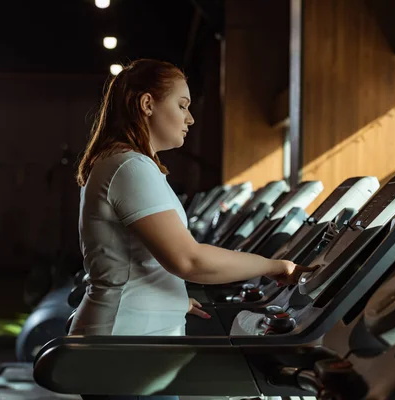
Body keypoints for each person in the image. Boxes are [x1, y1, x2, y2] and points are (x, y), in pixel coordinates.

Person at [70, 59, 314, 399]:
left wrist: (168, 298)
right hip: (126, 347)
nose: (190, 118)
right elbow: (189, 260)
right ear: (147, 104)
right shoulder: (129, 167)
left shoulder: (123, 163)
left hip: (132, 342)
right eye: (182, 105)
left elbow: (131, 261)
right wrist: (276, 267)